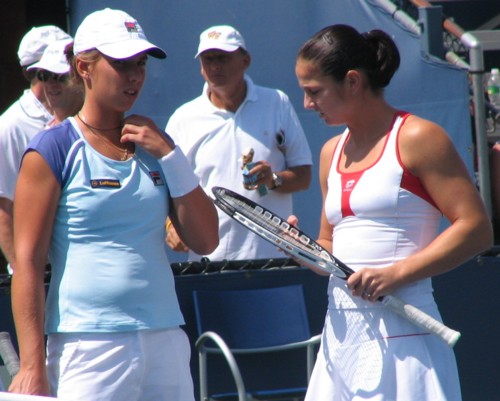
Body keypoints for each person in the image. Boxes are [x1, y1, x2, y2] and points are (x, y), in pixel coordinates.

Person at [9, 8, 218, 401]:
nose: (136, 75)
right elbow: (28, 263)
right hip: (86, 345)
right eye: (122, 64)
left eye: (140, 63)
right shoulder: (52, 149)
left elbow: (206, 240)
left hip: (166, 338)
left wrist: (171, 155)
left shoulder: (156, 144)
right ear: (83, 68)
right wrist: (33, 365)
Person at [294, 24, 492, 400]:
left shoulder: (419, 138)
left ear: (352, 81)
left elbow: (477, 228)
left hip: (408, 341)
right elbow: (327, 247)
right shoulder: (329, 153)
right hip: (339, 343)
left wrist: (395, 274)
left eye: (314, 92)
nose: (307, 104)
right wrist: (301, 248)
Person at [166, 24, 312, 262]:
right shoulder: (183, 119)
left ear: (245, 60)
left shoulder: (277, 102)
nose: (214, 66)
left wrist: (273, 179)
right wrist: (170, 226)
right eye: (207, 59)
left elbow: (303, 175)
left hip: (273, 258)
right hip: (209, 263)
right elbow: (169, 189)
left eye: (222, 58)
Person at [0, 25, 70, 274]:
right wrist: (26, 274)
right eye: (48, 72)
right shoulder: (10, 126)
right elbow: (3, 208)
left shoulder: (74, 115)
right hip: (40, 273)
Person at [27, 38, 84, 127]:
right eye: (44, 75)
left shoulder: (103, 130)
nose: (51, 83)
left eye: (59, 76)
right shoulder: (42, 136)